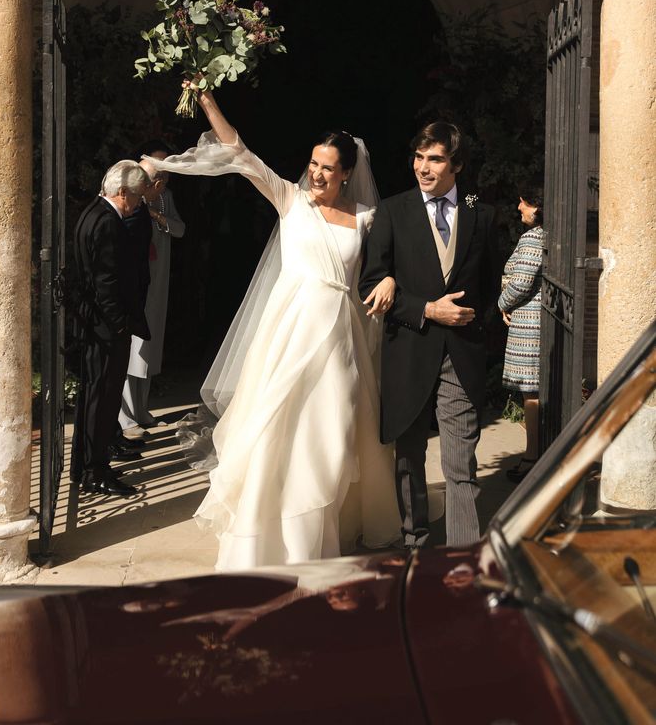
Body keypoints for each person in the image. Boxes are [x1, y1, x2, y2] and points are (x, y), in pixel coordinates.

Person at [146, 90, 400, 569]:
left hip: (340, 341)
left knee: (330, 435)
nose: (318, 174)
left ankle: (318, 535)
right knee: (275, 432)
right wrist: (206, 100)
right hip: (289, 336)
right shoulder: (289, 199)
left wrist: (386, 277)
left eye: (328, 167)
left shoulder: (367, 219)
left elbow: (384, 266)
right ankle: (261, 540)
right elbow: (239, 153)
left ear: (347, 172)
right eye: (314, 164)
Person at [358, 122, 501, 549]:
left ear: (456, 164)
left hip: (461, 354)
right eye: (419, 157)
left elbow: (493, 284)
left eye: (435, 159)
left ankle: (463, 557)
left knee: (461, 465)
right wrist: (425, 308)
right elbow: (370, 284)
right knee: (409, 459)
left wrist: (477, 327)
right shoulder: (393, 210)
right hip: (408, 352)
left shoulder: (482, 212)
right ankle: (414, 543)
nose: (423, 167)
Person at [70, 160, 151, 497]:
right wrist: (119, 326)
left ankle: (84, 465)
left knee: (95, 399)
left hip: (96, 326)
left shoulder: (92, 212)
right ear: (121, 193)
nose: (137, 205)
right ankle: (95, 472)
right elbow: (106, 282)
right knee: (101, 401)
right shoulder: (107, 223)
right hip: (105, 330)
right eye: (136, 198)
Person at [119, 143, 186, 437]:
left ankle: (141, 409)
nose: (156, 183)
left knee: (149, 343)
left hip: (157, 280)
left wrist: (158, 215)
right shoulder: (126, 197)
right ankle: (125, 416)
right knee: (129, 346)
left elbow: (181, 229)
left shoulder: (164, 199)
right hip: (133, 281)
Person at [498, 183, 544, 482]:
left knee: (531, 395)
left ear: (537, 206)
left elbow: (520, 282)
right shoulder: (545, 236)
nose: (519, 208)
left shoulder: (533, 239)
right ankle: (535, 453)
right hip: (532, 320)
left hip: (529, 325)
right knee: (533, 393)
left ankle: (533, 457)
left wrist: (501, 302)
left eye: (523, 202)